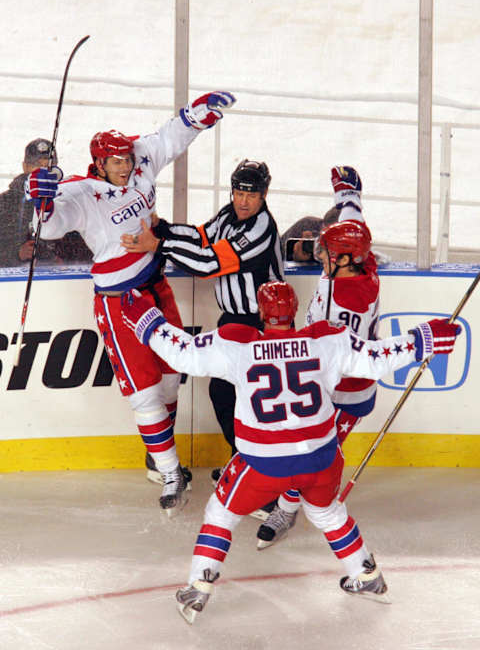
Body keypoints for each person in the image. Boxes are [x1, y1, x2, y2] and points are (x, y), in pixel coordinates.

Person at [119, 280, 460, 623]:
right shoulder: (326, 340)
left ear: (260, 312)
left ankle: (198, 587)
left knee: (221, 513)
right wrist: (421, 340)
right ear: (294, 310)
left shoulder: (238, 343)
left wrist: (148, 320)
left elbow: (184, 353)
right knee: (328, 514)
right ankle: (366, 576)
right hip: (322, 458)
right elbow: (375, 359)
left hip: (265, 462)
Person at [25, 90, 236, 515]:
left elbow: (167, 138)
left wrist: (196, 116)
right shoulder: (81, 192)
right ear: (99, 163)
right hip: (119, 302)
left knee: (172, 376)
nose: (126, 166)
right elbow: (48, 227)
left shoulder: (139, 161)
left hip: (156, 285)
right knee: (144, 393)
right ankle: (170, 470)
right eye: (117, 161)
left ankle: (158, 455)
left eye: (126, 159)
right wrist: (41, 199)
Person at [120, 159, 284, 489]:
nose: (242, 201)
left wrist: (160, 244)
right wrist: (163, 227)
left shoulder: (260, 229)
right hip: (235, 321)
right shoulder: (229, 214)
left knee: (240, 397)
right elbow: (201, 236)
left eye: (251, 195)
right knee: (228, 395)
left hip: (263, 326)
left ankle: (259, 480)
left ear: (264, 194)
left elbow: (209, 263)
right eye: (238, 192)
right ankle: (247, 466)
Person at [257, 166, 381, 548]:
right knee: (306, 447)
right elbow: (351, 215)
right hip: (328, 386)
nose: (318, 256)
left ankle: (287, 510)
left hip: (343, 391)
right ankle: (291, 501)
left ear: (345, 259)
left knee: (313, 451)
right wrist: (347, 192)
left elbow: (326, 352)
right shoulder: (364, 261)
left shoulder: (343, 304)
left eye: (326, 253)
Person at [0, 138, 91, 267]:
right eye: (36, 165)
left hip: (66, 279)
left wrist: (61, 258)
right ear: (24, 166)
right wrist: (17, 253)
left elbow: (87, 245)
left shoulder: (70, 199)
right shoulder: (4, 202)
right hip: (14, 282)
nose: (42, 171)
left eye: (48, 166)